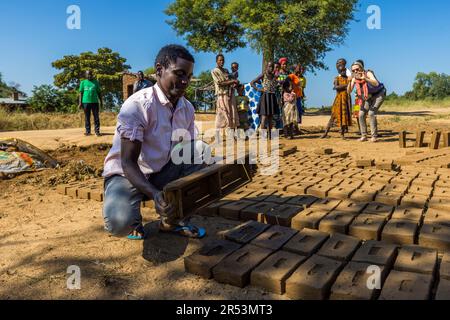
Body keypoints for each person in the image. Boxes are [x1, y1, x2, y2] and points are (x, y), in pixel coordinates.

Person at [102, 44, 208, 240]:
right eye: (179, 74)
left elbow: (185, 150)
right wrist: (154, 193)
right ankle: (133, 219)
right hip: (127, 174)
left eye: (189, 76)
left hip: (160, 171)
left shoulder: (187, 108)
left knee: (200, 151)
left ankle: (171, 221)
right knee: (119, 223)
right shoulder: (138, 105)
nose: (185, 81)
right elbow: (128, 162)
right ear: (159, 70)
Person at [348, 61, 386, 142]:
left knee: (371, 113)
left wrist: (364, 78)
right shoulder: (354, 79)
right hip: (367, 97)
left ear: (361, 68)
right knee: (361, 114)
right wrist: (349, 81)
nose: (355, 71)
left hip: (379, 94)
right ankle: (364, 136)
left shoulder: (368, 73)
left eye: (357, 69)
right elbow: (349, 91)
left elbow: (376, 83)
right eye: (353, 70)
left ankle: (374, 137)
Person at [321, 59, 352, 139]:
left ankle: (342, 134)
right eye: (341, 69)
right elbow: (336, 87)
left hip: (346, 99)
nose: (343, 71)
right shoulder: (337, 78)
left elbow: (350, 87)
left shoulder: (348, 79)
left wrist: (349, 82)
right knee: (333, 116)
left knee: (344, 116)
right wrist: (346, 85)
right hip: (339, 99)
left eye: (344, 70)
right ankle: (325, 132)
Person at [211, 54, 240, 140]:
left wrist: (235, 82)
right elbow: (220, 83)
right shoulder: (214, 71)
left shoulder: (226, 70)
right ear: (216, 61)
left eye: (223, 60)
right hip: (221, 95)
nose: (222, 62)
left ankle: (231, 135)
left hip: (230, 94)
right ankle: (217, 135)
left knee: (232, 113)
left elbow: (230, 80)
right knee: (222, 113)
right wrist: (233, 81)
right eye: (220, 60)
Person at [250, 61, 280, 139]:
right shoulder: (264, 75)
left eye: (272, 67)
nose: (271, 68)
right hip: (265, 97)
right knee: (264, 117)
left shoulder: (274, 76)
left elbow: (276, 84)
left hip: (272, 97)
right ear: (267, 67)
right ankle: (263, 136)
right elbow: (252, 82)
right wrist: (259, 89)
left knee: (270, 117)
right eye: (269, 66)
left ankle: (269, 135)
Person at [79, 70, 103, 136]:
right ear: (85, 75)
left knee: (96, 117)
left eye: (90, 74)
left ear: (92, 75)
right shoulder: (83, 82)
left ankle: (97, 131)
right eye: (87, 74)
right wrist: (80, 103)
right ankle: (88, 131)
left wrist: (101, 101)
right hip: (85, 102)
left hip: (95, 102)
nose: (89, 76)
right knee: (87, 117)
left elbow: (99, 93)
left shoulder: (96, 82)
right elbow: (81, 93)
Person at [289, 64, 307, 132]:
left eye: (300, 68)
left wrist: (303, 95)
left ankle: (296, 127)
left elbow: (302, 89)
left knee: (298, 112)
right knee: (292, 112)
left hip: (299, 97)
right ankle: (292, 129)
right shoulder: (291, 76)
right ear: (294, 69)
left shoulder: (302, 78)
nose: (300, 69)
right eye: (298, 68)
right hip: (292, 97)